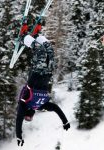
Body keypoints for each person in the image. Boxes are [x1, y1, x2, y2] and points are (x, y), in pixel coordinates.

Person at [16, 18, 70, 146]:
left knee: (39, 51)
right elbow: (56, 108)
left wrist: (19, 136)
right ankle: (36, 36)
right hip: (48, 73)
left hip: (36, 72)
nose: (28, 118)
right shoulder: (40, 106)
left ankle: (23, 37)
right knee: (49, 51)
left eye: (27, 118)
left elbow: (18, 120)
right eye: (30, 119)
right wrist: (65, 121)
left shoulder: (24, 105)